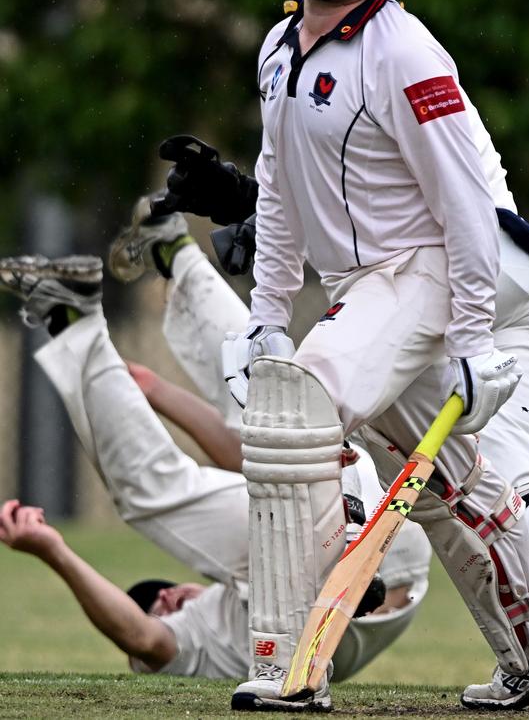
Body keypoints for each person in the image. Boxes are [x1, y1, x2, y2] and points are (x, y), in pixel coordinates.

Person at [150, 0, 529, 711]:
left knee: (296, 411)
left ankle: (292, 663)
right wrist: (266, 319)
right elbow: (279, 193)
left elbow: (466, 204)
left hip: (423, 271)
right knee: (448, 484)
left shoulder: (407, 51)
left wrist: (472, 336)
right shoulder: (277, 51)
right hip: (364, 284)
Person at [0, 224, 431, 681]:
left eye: (156, 591)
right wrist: (53, 552)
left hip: (361, 517)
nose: (162, 599)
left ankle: (176, 254)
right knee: (156, 490)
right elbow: (143, 639)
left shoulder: (244, 574)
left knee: (268, 410)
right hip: (372, 540)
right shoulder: (211, 643)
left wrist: (154, 389)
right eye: (155, 608)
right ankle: (76, 316)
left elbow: (242, 456)